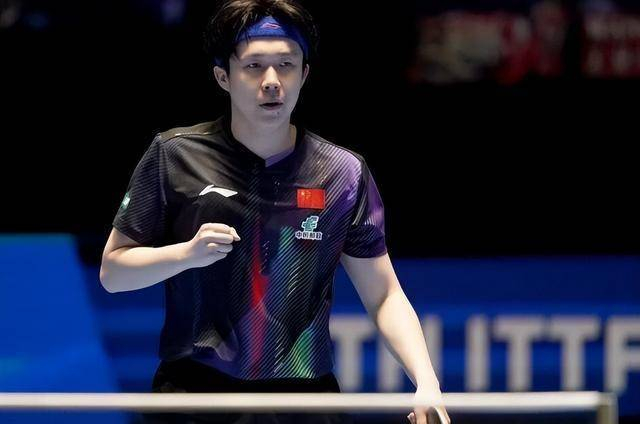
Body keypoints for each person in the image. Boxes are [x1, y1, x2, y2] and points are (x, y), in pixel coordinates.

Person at [99, 1, 450, 423]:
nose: (271, 81)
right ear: (223, 76)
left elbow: (384, 294)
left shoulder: (342, 172)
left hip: (305, 400)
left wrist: (426, 383)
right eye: (254, 66)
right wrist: (185, 254)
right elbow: (113, 274)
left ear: (304, 74)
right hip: (194, 395)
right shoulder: (174, 155)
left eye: (286, 65)